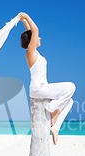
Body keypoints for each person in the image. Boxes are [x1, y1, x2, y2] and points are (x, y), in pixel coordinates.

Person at [19, 12, 76, 145]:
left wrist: (23, 21)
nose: (40, 38)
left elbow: (30, 31)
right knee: (71, 86)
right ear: (32, 39)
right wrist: (26, 16)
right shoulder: (30, 52)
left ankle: (55, 127)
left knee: (70, 101)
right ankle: (52, 109)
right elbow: (34, 30)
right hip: (38, 89)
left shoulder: (34, 52)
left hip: (42, 88)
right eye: (37, 37)